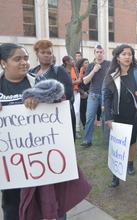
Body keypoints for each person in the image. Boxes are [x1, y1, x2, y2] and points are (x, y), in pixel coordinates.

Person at [0, 43, 91, 220]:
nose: (24, 63)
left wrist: (42, 97)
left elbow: (61, 102)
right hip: (12, 165)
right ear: (3, 62)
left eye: (25, 58)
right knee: (13, 208)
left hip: (41, 161)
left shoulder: (40, 83)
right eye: (17, 59)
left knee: (49, 203)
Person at [104, 44, 137, 187]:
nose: (127, 57)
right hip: (117, 116)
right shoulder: (111, 74)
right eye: (124, 54)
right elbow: (107, 97)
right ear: (117, 57)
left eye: (130, 54)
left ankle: (130, 163)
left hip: (133, 114)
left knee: (132, 142)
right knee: (117, 145)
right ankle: (115, 175)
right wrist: (109, 118)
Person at [28, 39, 76, 139]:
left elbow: (68, 92)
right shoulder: (32, 72)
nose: (46, 55)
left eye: (49, 53)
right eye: (43, 52)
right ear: (37, 54)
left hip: (58, 115)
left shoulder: (59, 71)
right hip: (39, 116)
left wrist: (44, 99)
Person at [80, 45, 110, 147]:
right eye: (97, 52)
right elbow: (85, 81)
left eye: (101, 52)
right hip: (93, 94)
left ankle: (107, 141)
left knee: (105, 118)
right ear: (94, 53)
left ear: (103, 53)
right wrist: (94, 70)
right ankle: (87, 140)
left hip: (105, 94)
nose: (99, 54)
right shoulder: (90, 66)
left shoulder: (108, 64)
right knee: (90, 117)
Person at [61, 55, 83, 139]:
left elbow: (79, 80)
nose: (73, 61)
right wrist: (73, 83)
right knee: (68, 112)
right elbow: (63, 83)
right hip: (66, 93)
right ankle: (67, 130)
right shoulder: (62, 71)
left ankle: (76, 130)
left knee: (76, 112)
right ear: (67, 62)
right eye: (71, 60)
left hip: (76, 92)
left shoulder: (75, 70)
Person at [75, 58, 90, 130]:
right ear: (82, 64)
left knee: (89, 111)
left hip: (89, 93)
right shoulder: (77, 73)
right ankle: (84, 125)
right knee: (82, 110)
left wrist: (88, 92)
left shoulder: (89, 72)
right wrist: (82, 93)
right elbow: (77, 85)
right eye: (86, 63)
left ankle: (89, 125)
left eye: (88, 63)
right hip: (81, 93)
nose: (87, 64)